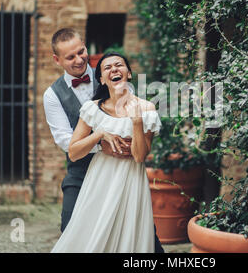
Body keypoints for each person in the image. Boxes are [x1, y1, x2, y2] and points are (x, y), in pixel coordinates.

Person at [43, 28, 164, 252]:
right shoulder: (52, 96)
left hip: (127, 176)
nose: (79, 60)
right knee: (73, 230)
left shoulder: (114, 77)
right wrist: (101, 140)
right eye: (70, 57)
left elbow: (137, 137)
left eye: (81, 52)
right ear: (57, 60)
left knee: (143, 239)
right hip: (82, 173)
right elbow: (65, 141)